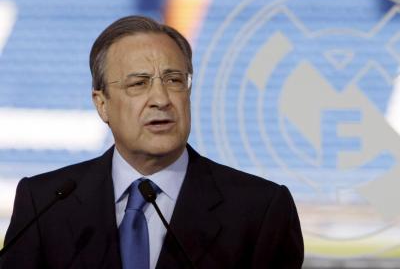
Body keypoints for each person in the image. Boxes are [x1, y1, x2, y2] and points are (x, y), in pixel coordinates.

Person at [1, 16, 304, 268]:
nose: (161, 99)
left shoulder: (260, 209)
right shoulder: (45, 203)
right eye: (138, 83)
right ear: (102, 104)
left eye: (174, 80)